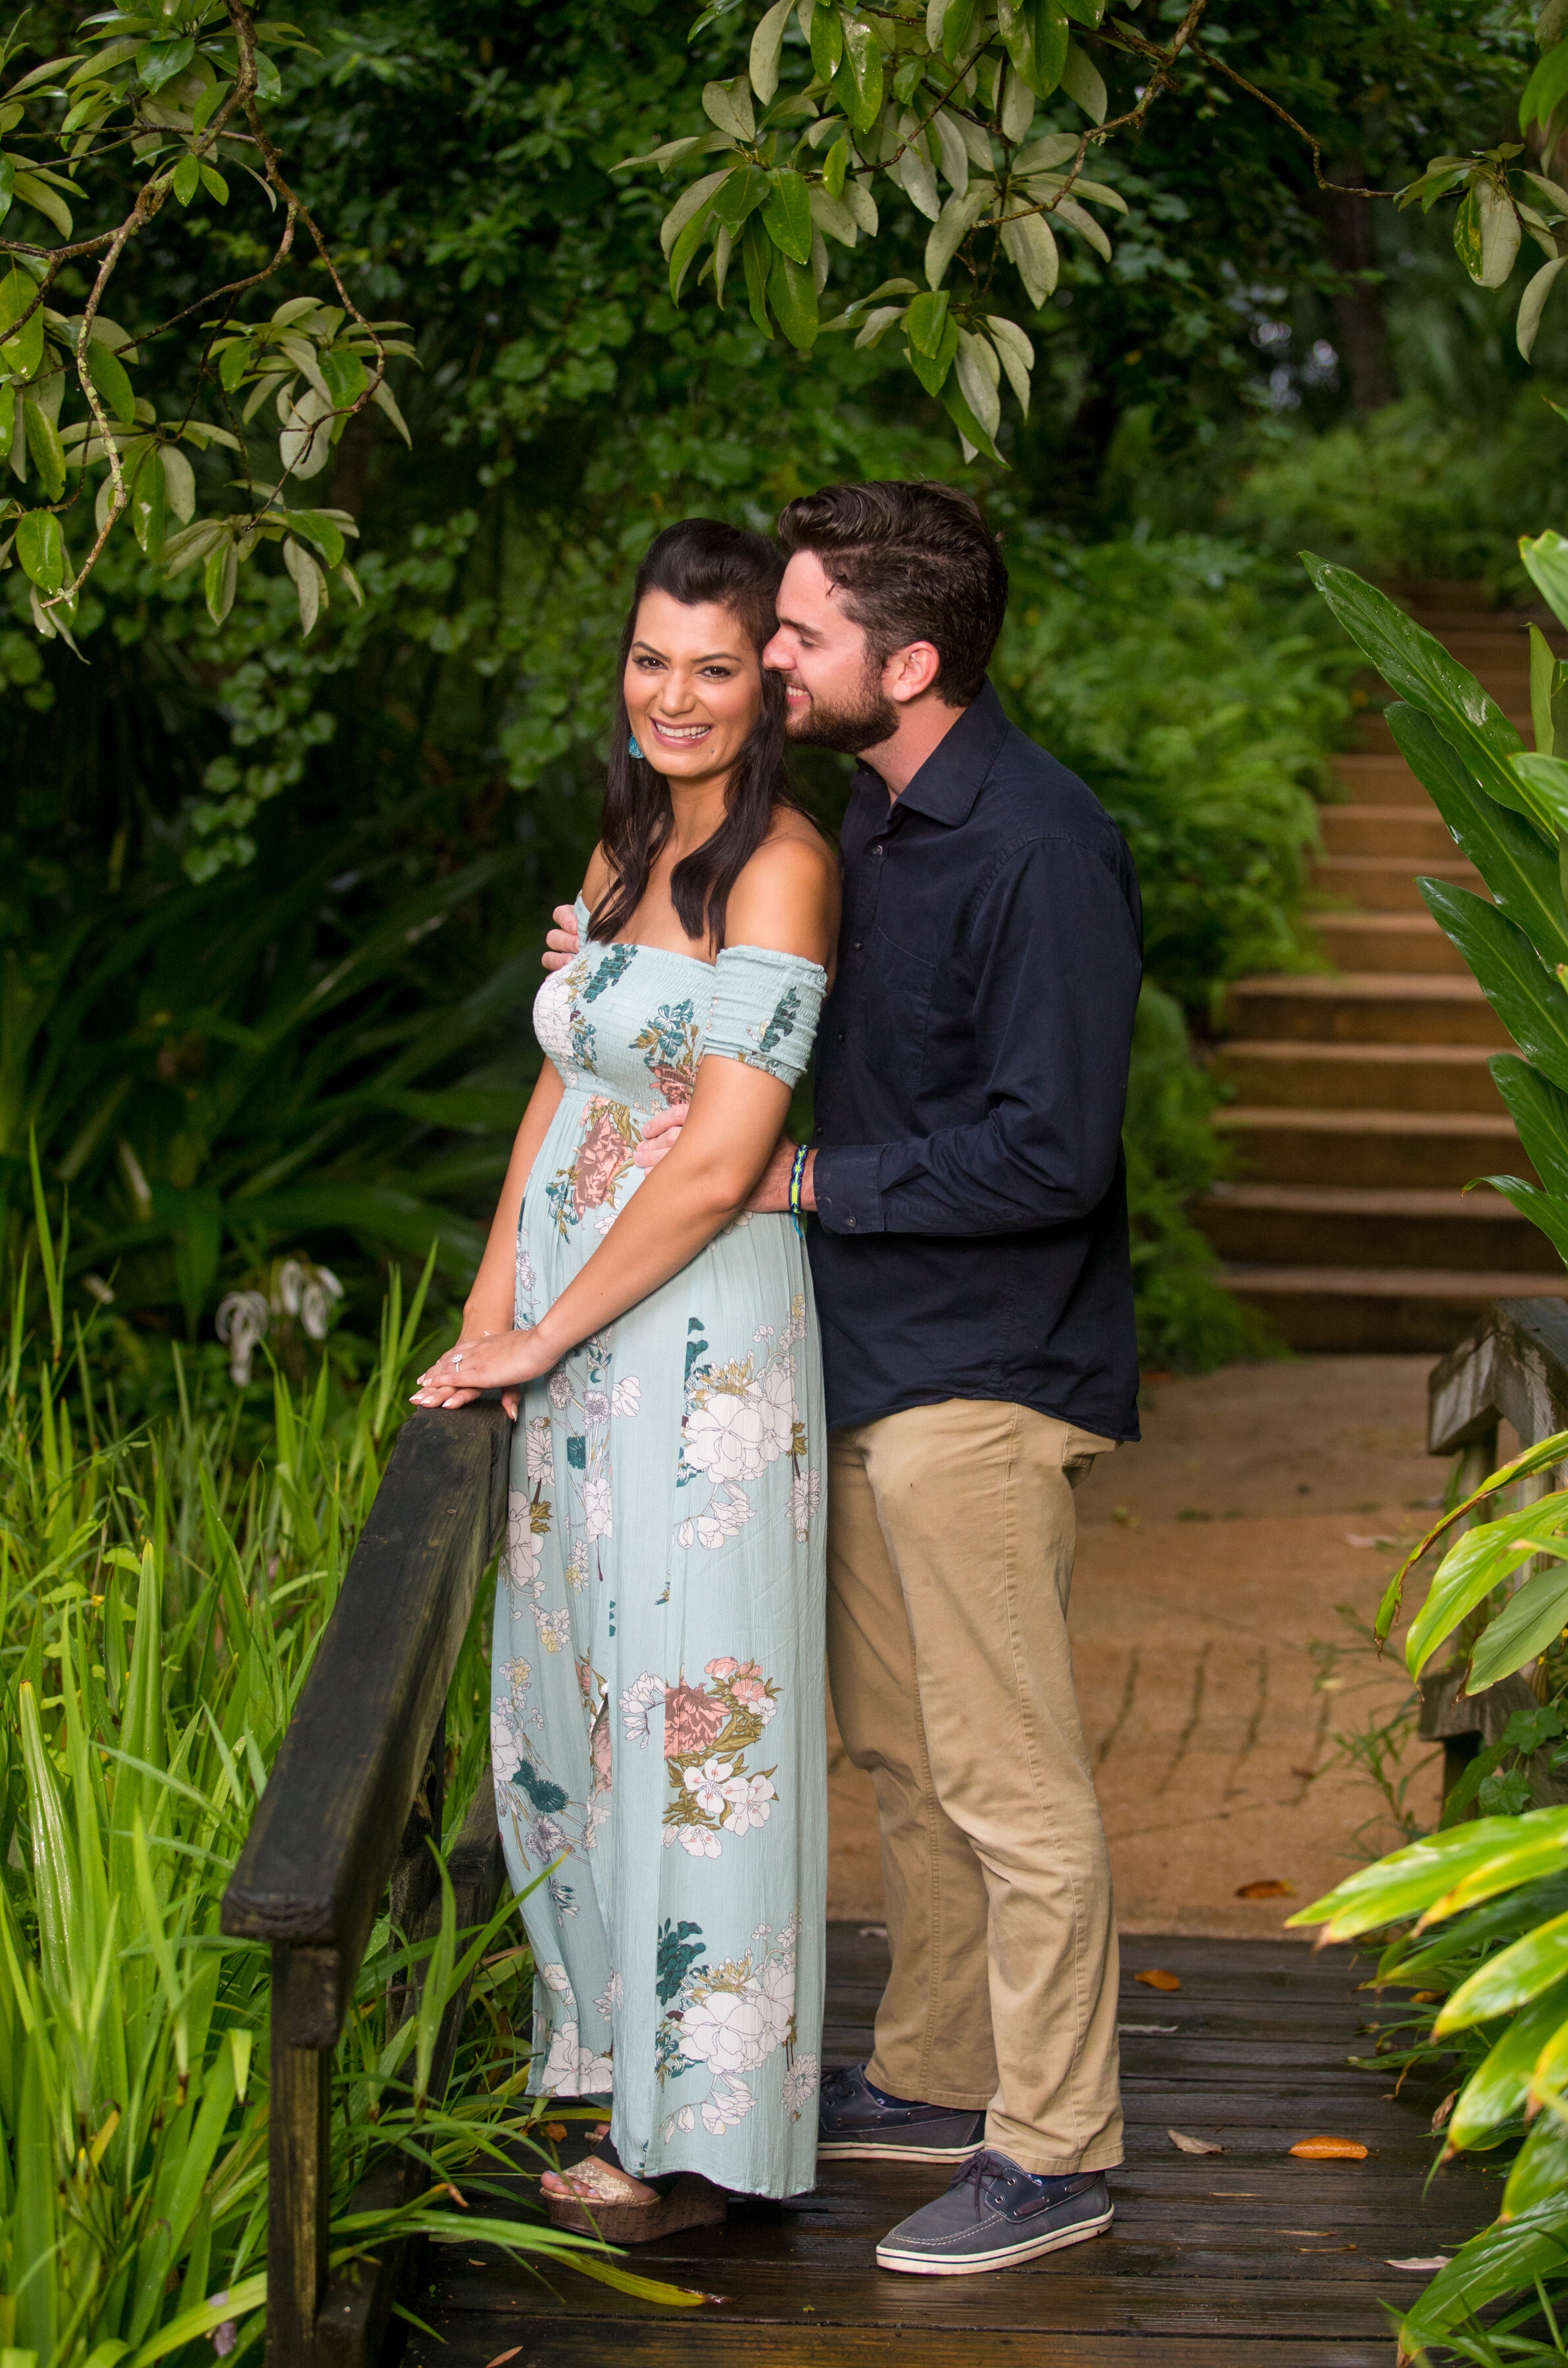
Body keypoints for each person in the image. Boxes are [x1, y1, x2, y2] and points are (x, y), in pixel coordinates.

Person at [544, 480, 1142, 2277]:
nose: (771, 662)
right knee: (902, 1747)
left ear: (915, 656)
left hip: (989, 1375)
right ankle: (948, 2066)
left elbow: (1058, 1152)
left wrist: (809, 1183)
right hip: (861, 1358)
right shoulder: (868, 828)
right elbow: (757, 1008)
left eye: (797, 635)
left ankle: (1059, 2147)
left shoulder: (1040, 845)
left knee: (1011, 1774)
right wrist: (625, 976)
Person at [412, 517, 841, 2237]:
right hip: (572, 1339)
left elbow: (726, 1154)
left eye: (715, 669)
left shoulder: (783, 868)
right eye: (652, 660)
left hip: (698, 1347)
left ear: (769, 692)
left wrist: (549, 1322)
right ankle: (611, 2066)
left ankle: (703, 2144)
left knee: (695, 1720)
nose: (676, 696)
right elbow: (570, 1091)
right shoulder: (621, 841)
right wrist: (491, 1299)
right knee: (576, 1700)